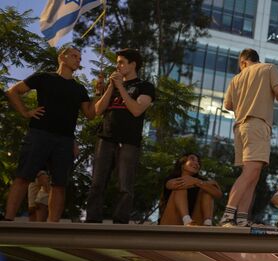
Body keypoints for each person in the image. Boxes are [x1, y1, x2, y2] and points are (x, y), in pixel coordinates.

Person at [3, 45, 96, 222]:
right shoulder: (44, 78)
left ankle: (53, 225)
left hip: (65, 140)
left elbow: (90, 114)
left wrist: (99, 93)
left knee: (60, 184)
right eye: (74, 56)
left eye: (80, 58)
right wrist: (25, 112)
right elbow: (13, 91)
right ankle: (8, 220)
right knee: (23, 176)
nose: (78, 60)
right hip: (39, 133)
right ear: (62, 57)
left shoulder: (80, 89)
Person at [85, 48, 156, 224]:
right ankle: (92, 219)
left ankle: (120, 221)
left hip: (128, 140)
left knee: (125, 184)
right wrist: (110, 86)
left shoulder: (144, 87)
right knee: (97, 182)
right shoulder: (113, 86)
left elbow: (137, 110)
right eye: (117, 62)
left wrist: (121, 88)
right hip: (106, 137)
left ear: (133, 64)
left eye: (122, 62)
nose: (118, 66)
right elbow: (97, 110)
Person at [221, 48, 278, 227]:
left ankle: (241, 218)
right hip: (257, 124)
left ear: (243, 62)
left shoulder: (236, 79)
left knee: (251, 174)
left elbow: (228, 105)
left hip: (240, 127)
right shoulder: (268, 68)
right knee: (251, 173)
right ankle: (228, 216)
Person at [158, 153, 222, 226]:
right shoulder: (172, 177)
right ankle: (187, 220)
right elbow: (170, 185)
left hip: (195, 221)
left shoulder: (200, 181)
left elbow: (218, 194)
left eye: (198, 162)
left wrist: (197, 182)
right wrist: (200, 183)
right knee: (181, 186)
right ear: (182, 164)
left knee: (206, 190)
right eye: (192, 159)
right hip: (172, 221)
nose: (196, 163)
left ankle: (207, 223)